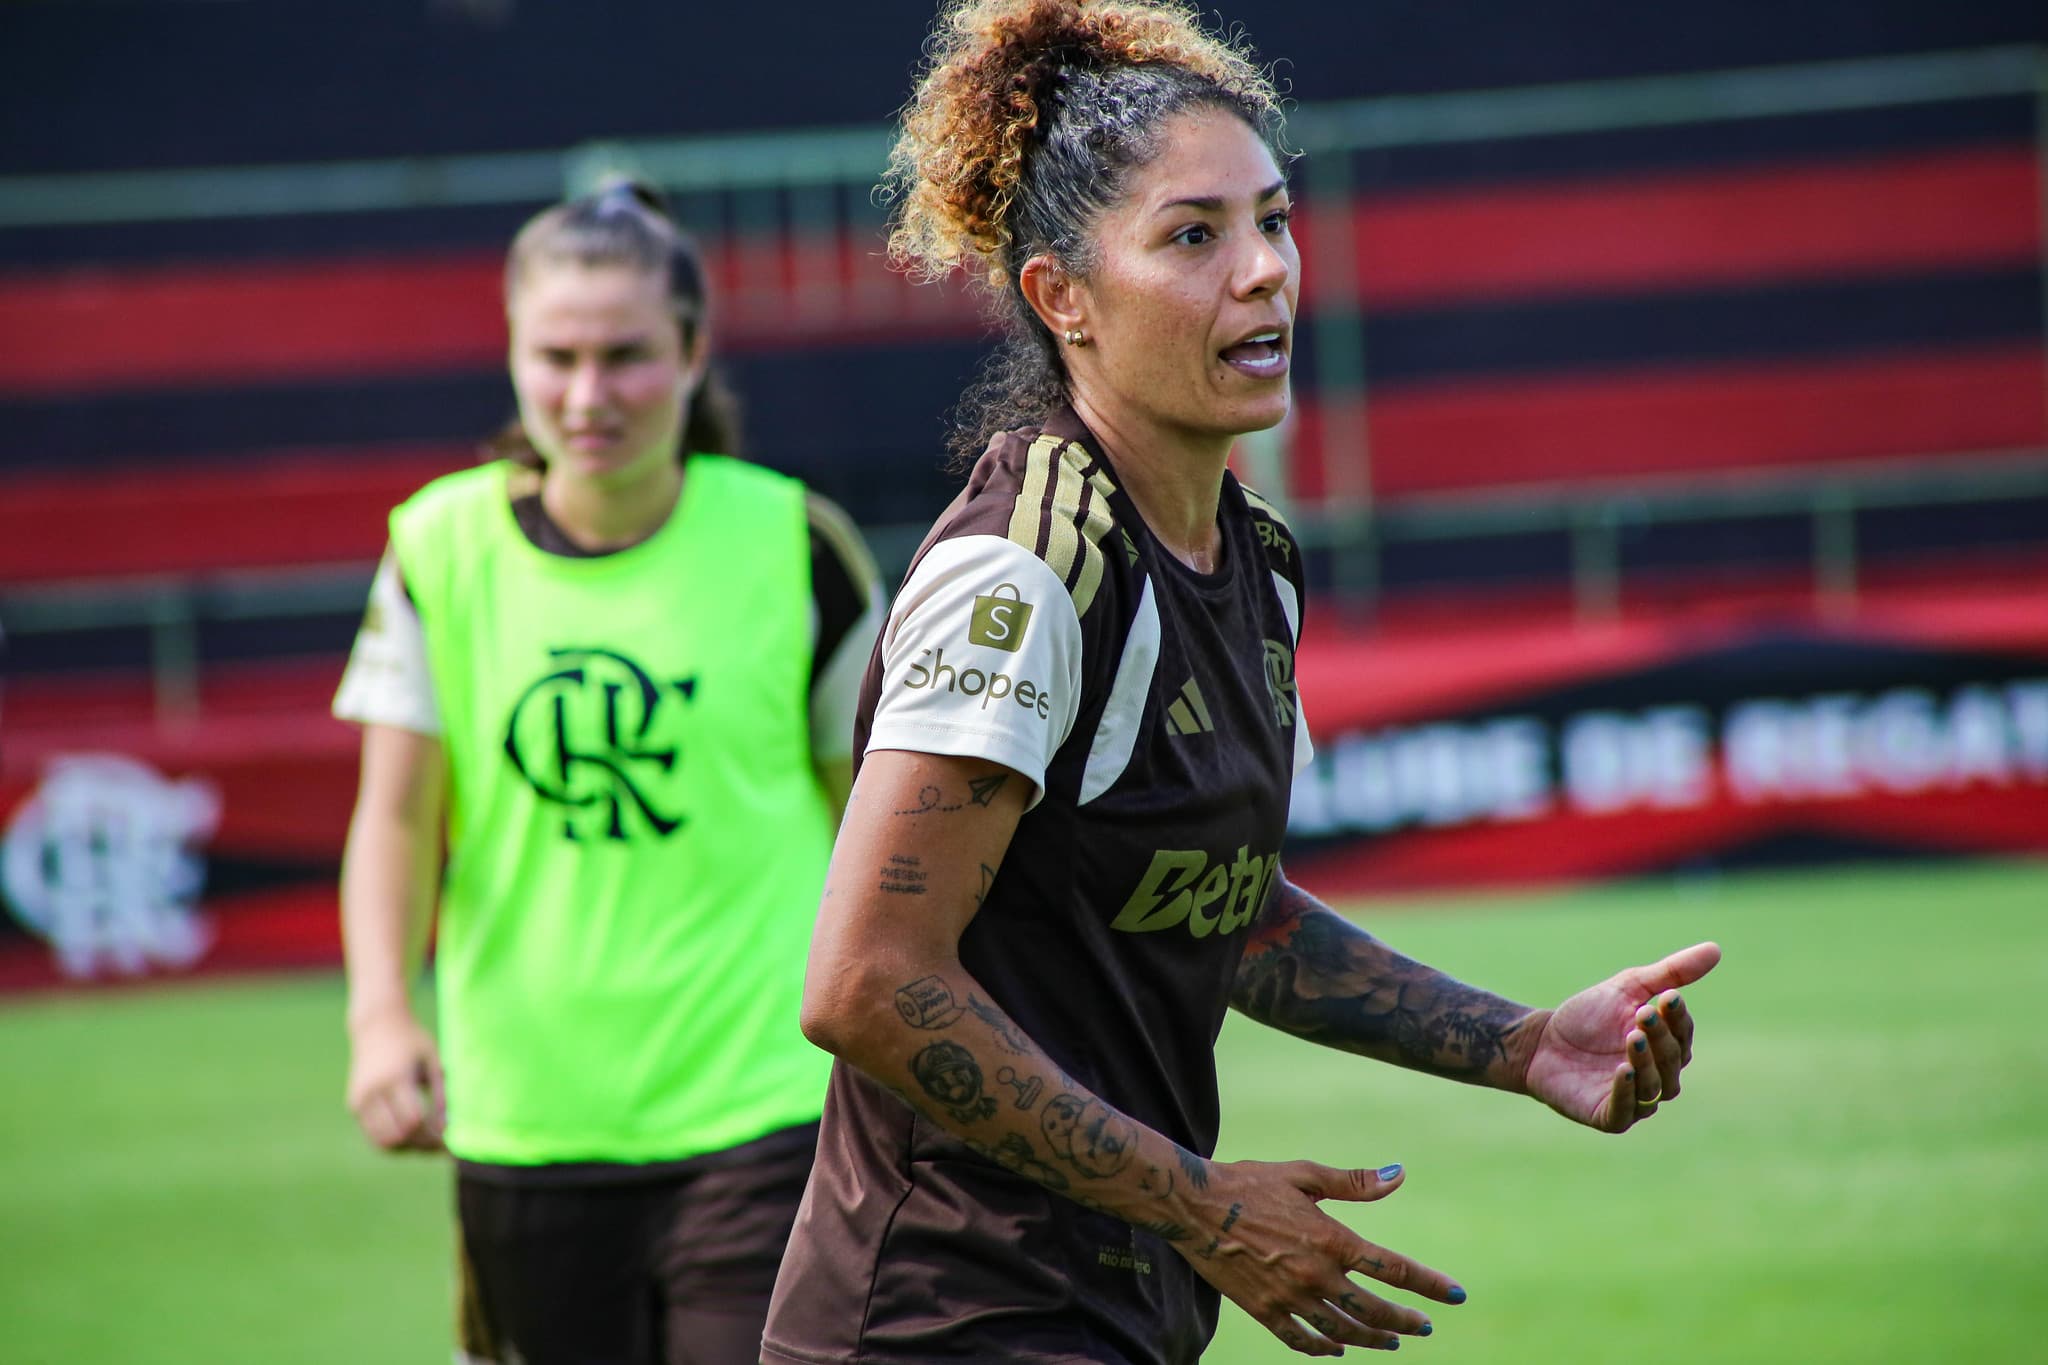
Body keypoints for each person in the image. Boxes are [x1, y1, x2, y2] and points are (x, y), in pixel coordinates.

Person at [760, 3, 1721, 1361]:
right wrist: (1201, 1203)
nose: (1264, 270)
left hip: (1109, 1314)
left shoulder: (1251, 558)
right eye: (1193, 237)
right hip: (939, 1316)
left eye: (1272, 220)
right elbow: (863, 981)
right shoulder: (1024, 573)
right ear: (1062, 299)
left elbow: (1213, 904)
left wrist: (1523, 1045)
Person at [331, 179, 885, 1365]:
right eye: (557, 357)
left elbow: (884, 830)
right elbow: (393, 821)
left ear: (691, 353)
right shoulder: (436, 549)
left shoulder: (796, 543)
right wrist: (381, 1015)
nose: (589, 396)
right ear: (514, 357)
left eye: (626, 356)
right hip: (523, 1122)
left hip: (769, 1110)